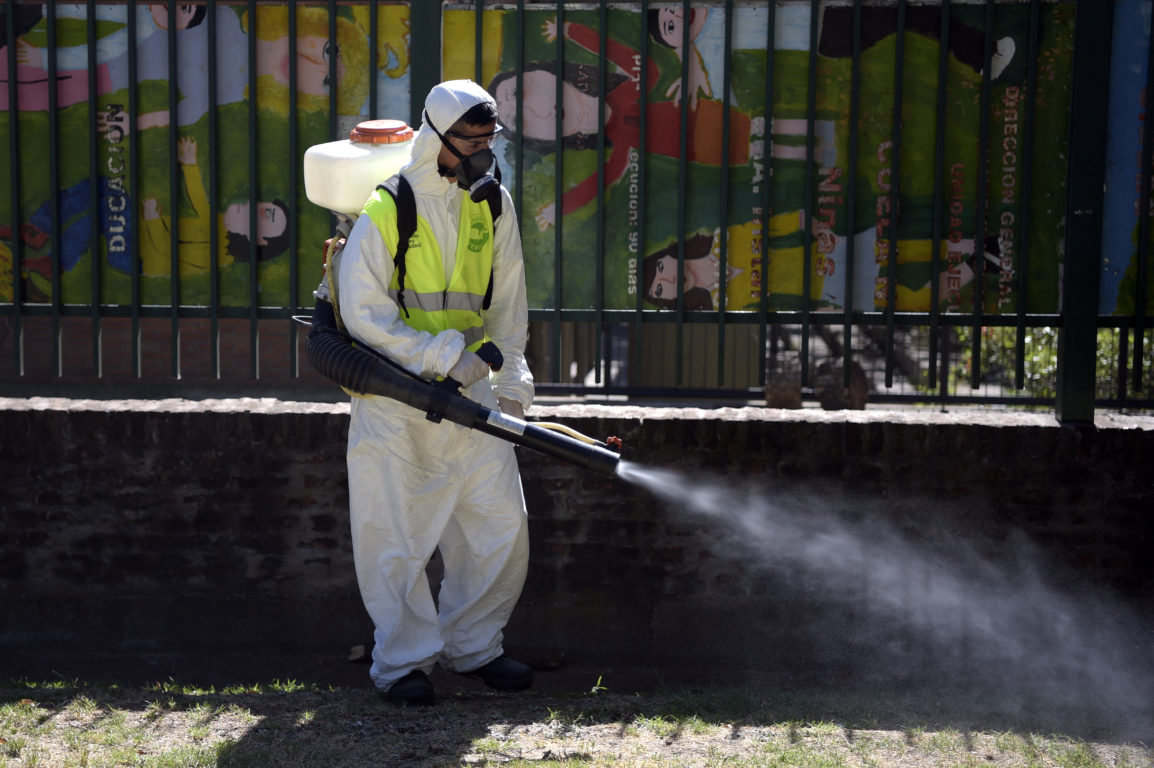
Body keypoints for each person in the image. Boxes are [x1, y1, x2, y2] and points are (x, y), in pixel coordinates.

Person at [336, 79, 535, 706]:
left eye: (488, 139)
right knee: (394, 537)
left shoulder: (493, 204)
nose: (481, 150)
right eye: (469, 140)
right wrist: (441, 357)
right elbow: (363, 311)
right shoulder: (388, 208)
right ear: (434, 138)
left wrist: (510, 379)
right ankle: (401, 665)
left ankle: (474, 648)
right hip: (397, 404)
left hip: (473, 402)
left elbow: (507, 303)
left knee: (500, 526)